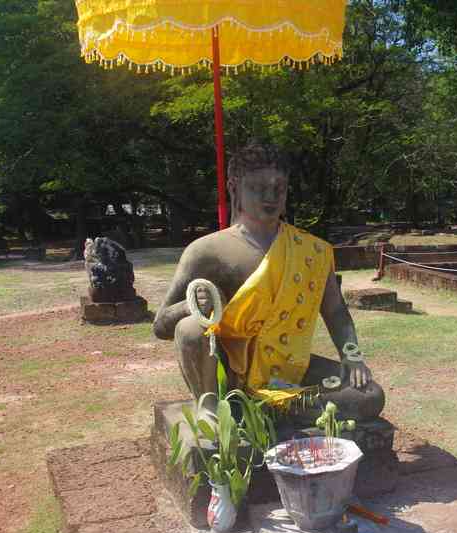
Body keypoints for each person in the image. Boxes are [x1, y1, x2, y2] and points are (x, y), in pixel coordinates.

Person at [153, 142, 385, 424]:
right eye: (258, 187)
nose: (270, 196)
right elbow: (161, 325)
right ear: (234, 187)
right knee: (189, 328)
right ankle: (214, 407)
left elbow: (336, 312)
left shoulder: (311, 250)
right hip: (228, 368)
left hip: (285, 365)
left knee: (370, 395)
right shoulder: (206, 251)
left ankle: (259, 408)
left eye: (279, 188)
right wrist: (191, 307)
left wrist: (353, 356)